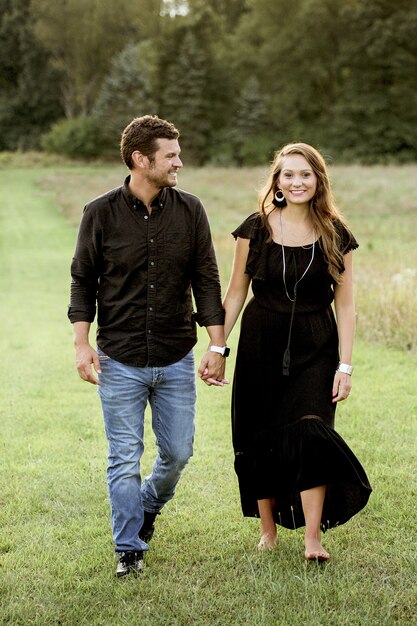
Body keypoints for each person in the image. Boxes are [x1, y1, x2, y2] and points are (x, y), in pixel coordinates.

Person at [68, 115, 228, 577]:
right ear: (141, 159)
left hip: (176, 355)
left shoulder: (191, 210)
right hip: (119, 357)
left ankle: (146, 507)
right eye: (171, 155)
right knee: (123, 455)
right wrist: (82, 346)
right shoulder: (99, 213)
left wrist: (217, 347)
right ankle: (128, 548)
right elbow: (82, 280)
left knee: (178, 453)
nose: (180, 162)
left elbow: (207, 280)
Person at [220, 142, 372, 561]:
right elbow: (235, 294)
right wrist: (218, 344)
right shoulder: (255, 229)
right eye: (288, 174)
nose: (297, 181)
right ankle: (268, 531)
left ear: (318, 180)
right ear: (277, 181)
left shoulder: (336, 234)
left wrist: (345, 364)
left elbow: (346, 304)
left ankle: (312, 538)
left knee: (310, 429)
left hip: (316, 343)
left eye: (305, 174)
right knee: (258, 433)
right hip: (259, 340)